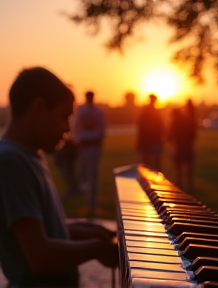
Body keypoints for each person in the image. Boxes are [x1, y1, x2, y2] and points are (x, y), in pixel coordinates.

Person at [0, 67, 118, 288]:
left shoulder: (29, 156)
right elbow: (40, 256)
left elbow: (34, 231)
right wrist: (98, 249)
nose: (67, 129)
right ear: (39, 107)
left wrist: (79, 230)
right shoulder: (11, 162)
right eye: (64, 117)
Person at [72, 91, 105, 217]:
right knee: (83, 174)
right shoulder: (81, 111)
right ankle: (86, 202)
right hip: (83, 145)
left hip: (93, 146)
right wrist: (77, 140)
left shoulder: (97, 111)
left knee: (93, 175)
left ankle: (92, 204)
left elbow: (101, 128)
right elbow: (76, 126)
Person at [136, 94, 165, 171]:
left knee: (149, 165)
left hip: (151, 142)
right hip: (151, 142)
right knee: (151, 165)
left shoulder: (146, 112)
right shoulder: (152, 113)